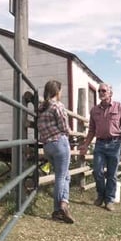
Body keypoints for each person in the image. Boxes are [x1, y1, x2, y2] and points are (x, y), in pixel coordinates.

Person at [79, 83, 121, 211]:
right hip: (100, 144)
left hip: (115, 144)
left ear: (110, 93)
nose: (100, 93)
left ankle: (109, 200)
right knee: (97, 171)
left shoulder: (119, 107)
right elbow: (91, 130)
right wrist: (86, 145)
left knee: (112, 174)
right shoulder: (94, 110)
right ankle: (101, 195)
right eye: (99, 91)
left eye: (103, 90)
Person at [37, 79, 74, 223]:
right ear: (57, 91)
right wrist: (70, 132)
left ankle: (64, 203)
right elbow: (64, 127)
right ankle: (58, 209)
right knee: (61, 176)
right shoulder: (58, 106)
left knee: (65, 175)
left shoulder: (41, 108)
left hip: (47, 146)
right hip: (59, 143)